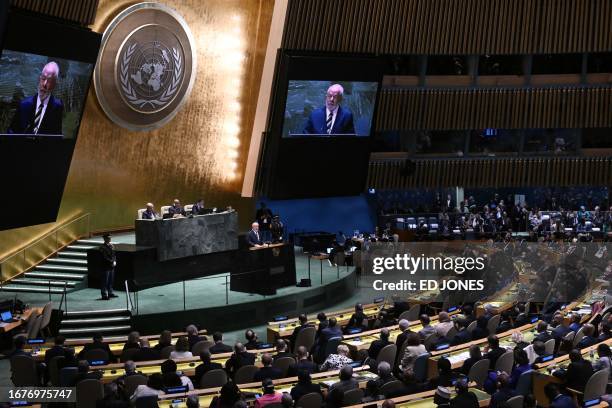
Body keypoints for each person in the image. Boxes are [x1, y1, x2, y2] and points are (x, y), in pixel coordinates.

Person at [8, 61, 63, 135]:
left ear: (55, 84)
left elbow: (57, 135)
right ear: (39, 79)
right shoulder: (24, 105)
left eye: (49, 80)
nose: (44, 84)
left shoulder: (58, 106)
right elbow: (11, 131)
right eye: (43, 78)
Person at [99, 233, 117, 300]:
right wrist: (112, 262)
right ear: (105, 239)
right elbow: (104, 257)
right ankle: (104, 295)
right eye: (108, 238)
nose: (110, 238)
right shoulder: (102, 247)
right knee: (105, 281)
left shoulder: (112, 246)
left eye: (110, 237)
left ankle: (110, 293)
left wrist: (114, 261)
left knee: (110, 280)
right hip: (105, 266)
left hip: (111, 266)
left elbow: (114, 255)